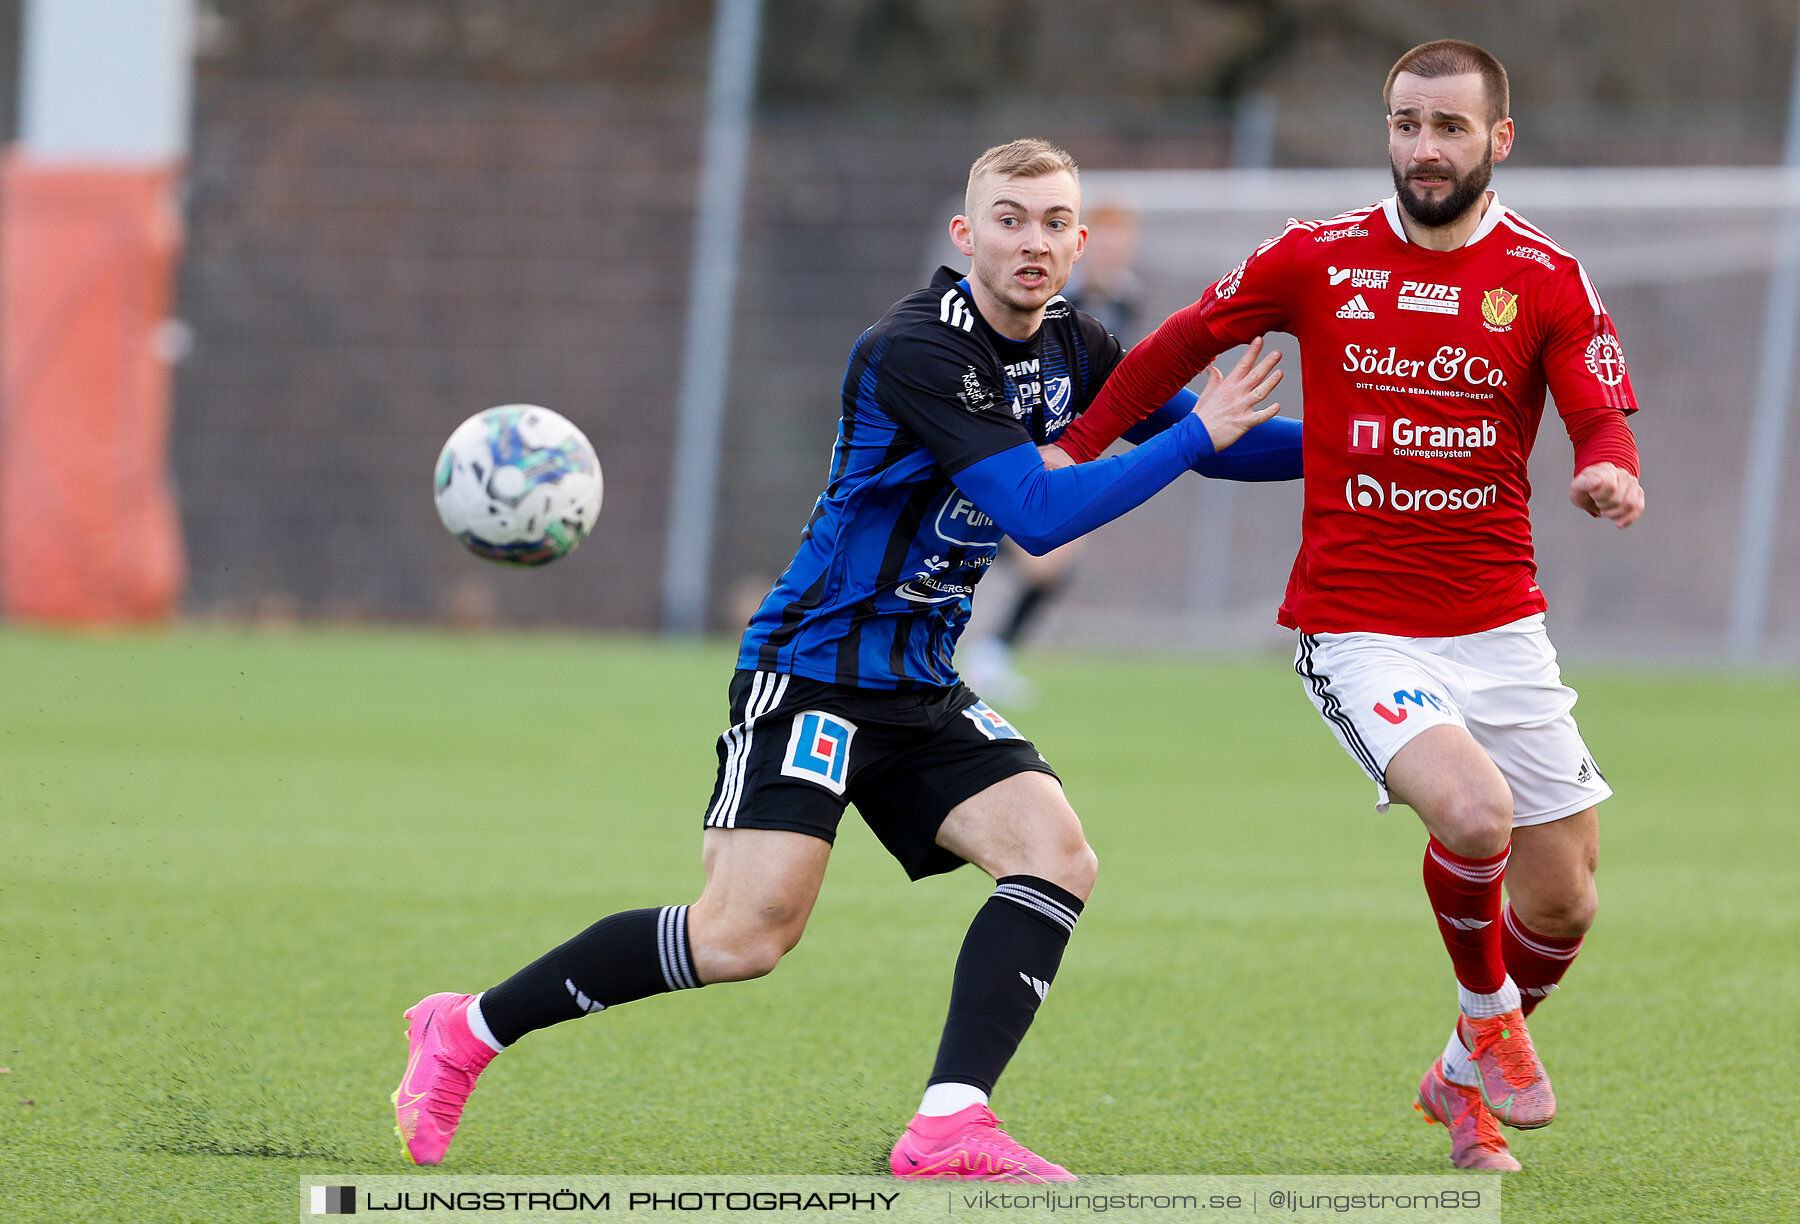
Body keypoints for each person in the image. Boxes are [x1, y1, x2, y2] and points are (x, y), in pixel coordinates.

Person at [392, 138, 1297, 1181]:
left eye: (1055, 222)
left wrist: (1386, 439)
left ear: (1080, 241)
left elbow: (1231, 438)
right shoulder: (916, 351)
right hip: (813, 671)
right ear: (966, 236)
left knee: (1054, 855)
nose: (1034, 241)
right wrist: (1193, 441)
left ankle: (949, 1125)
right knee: (743, 938)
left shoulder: (1078, 347)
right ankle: (466, 1030)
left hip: (917, 682)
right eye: (1009, 218)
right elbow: (1039, 514)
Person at [1053, 41, 1644, 1172]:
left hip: (1500, 622)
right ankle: (1489, 1026)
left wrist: (1609, 467)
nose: (1426, 147)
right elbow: (1176, 344)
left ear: (1496, 141)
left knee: (1565, 901)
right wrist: (1071, 448)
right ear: (1389, 130)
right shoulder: (1315, 256)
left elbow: (1599, 409)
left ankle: (1460, 1081)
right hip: (1360, 622)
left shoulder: (1548, 278)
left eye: (1451, 128)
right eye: (1408, 124)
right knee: (1474, 817)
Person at [959, 203, 1149, 707]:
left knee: (1054, 559)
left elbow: (1109, 381)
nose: (1113, 254)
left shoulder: (1128, 298)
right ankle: (981, 653)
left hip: (1064, 447)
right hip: (1012, 442)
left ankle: (990, 655)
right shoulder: (1058, 295)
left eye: (1120, 244)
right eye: (1105, 244)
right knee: (1041, 553)